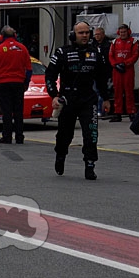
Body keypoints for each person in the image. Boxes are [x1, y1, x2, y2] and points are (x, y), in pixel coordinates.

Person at [45, 21, 111, 180]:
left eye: (87, 32)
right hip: (67, 99)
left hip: (88, 99)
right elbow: (50, 75)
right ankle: (60, 155)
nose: (85, 35)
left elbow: (102, 79)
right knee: (64, 135)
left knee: (91, 134)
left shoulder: (96, 53)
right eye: (81, 33)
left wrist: (107, 98)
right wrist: (54, 95)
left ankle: (90, 164)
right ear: (73, 35)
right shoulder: (62, 52)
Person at [0, 26, 32, 144]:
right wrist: (26, 83)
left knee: (6, 111)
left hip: (3, 83)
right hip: (18, 83)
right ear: (15, 36)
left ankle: (7, 136)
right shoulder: (23, 48)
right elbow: (29, 69)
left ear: (1, 37)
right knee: (18, 110)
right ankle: (19, 136)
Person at [108, 24, 139, 122]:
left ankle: (131, 112)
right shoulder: (114, 42)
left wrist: (125, 64)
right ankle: (117, 113)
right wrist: (115, 65)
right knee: (117, 92)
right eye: (121, 32)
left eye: (124, 32)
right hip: (117, 70)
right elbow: (110, 55)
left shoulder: (134, 42)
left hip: (128, 70)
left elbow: (135, 55)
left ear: (128, 32)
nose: (123, 34)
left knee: (129, 91)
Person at [91, 27, 113, 118]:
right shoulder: (93, 45)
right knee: (95, 91)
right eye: (95, 34)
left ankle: (101, 110)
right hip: (94, 72)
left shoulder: (108, 45)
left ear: (103, 35)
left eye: (98, 34)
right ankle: (96, 110)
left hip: (105, 72)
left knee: (102, 91)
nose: (97, 36)